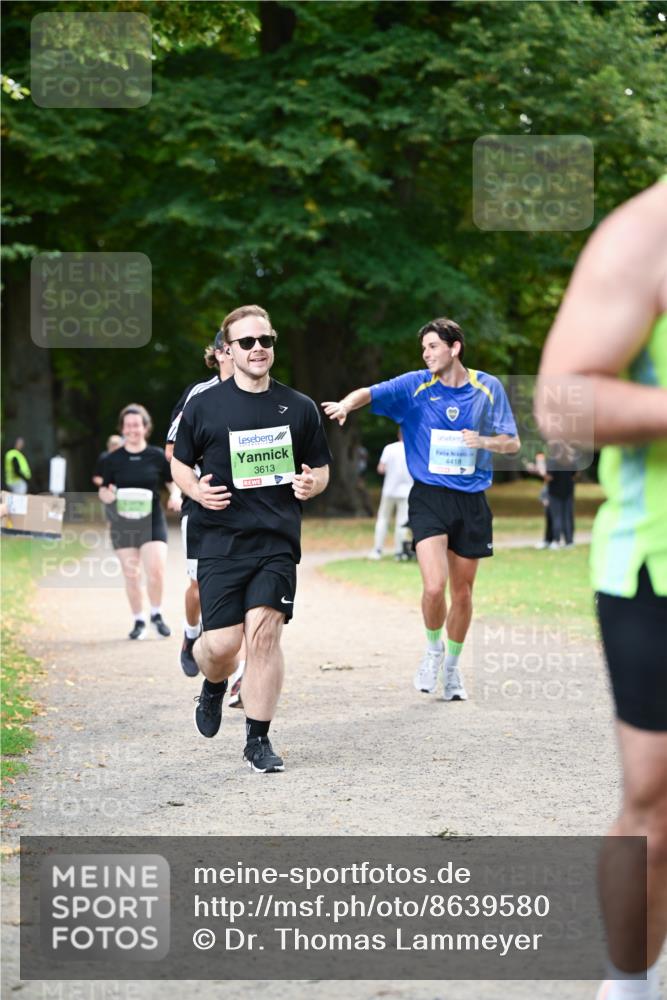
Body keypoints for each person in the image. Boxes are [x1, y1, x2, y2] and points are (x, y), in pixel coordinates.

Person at [536, 177, 667, 1000]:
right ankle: (629, 988)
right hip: (657, 567)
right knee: (656, 808)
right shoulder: (647, 231)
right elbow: (561, 400)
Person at [323, 316, 520, 701]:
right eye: (424, 349)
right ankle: (433, 650)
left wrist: (482, 441)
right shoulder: (416, 385)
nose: (426, 354)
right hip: (429, 497)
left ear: (454, 347)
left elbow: (511, 444)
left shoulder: (488, 387)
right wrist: (346, 405)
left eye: (433, 346)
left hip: (472, 501)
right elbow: (370, 391)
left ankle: (452, 669)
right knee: (434, 587)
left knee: (462, 593)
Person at [171, 304, 332, 773]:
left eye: (266, 340)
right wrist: (196, 489)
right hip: (219, 540)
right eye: (247, 342)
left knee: (263, 636)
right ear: (229, 350)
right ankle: (213, 683)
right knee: (221, 647)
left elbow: (320, 467)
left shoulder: (299, 407)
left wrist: (311, 485)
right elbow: (180, 462)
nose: (258, 349)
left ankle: (257, 741)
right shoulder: (203, 404)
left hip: (275, 540)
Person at [165, 333, 246, 688]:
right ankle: (191, 632)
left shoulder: (260, 395)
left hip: (246, 508)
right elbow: (172, 451)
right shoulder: (199, 395)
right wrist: (197, 487)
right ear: (218, 354)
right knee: (200, 585)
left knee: (243, 585)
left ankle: (234, 668)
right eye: (230, 348)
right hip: (202, 505)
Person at [99, 404, 181, 640]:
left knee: (156, 571)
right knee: (132, 573)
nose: (132, 429)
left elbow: (171, 481)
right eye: (128, 425)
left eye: (137, 424)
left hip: (152, 519)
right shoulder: (112, 459)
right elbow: (104, 490)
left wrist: (175, 495)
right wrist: (110, 496)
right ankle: (139, 620)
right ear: (122, 429)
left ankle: (156, 613)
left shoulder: (156, 456)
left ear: (145, 427)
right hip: (123, 522)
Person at [368, 428, 413, 560]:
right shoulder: (413, 449)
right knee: (402, 522)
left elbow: (381, 468)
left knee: (383, 519)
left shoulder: (390, 448)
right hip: (407, 491)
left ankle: (377, 550)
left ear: (398, 434)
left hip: (390, 489)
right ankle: (400, 552)